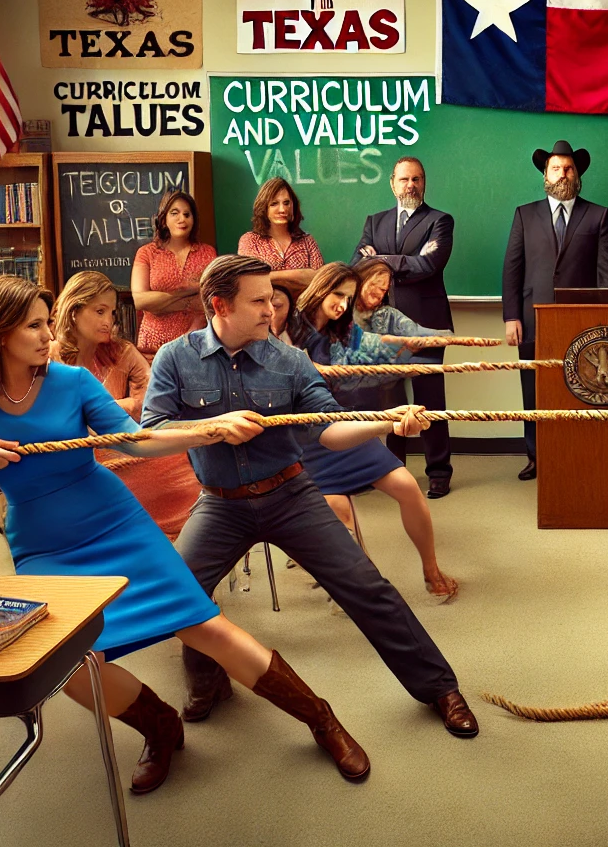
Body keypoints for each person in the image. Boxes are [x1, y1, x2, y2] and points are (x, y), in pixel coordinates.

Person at [0, 274, 374, 789]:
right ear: (0, 332)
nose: (50, 335)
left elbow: (137, 442)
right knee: (72, 663)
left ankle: (322, 719)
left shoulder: (72, 382)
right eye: (35, 325)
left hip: (114, 521)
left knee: (205, 626)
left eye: (48, 322)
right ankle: (160, 727)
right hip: (45, 545)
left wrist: (210, 429)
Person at [144, 255, 478, 741]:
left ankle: (440, 688)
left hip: (290, 494)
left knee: (368, 588)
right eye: (257, 301)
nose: (271, 310)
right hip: (220, 503)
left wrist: (388, 421)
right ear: (219, 305)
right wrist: (209, 429)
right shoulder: (175, 358)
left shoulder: (290, 360)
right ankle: (208, 680)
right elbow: (147, 435)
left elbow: (330, 431)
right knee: (180, 591)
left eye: (271, 299)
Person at [290, 262, 458, 600]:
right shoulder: (290, 323)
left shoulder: (345, 329)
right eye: (337, 294)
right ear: (321, 288)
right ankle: (360, 584)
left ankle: (431, 570)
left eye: (348, 298)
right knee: (338, 508)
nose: (341, 303)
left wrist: (437, 348)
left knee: (407, 486)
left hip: (342, 424)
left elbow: (384, 348)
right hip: (303, 437)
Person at [51, 270, 200, 538]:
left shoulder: (123, 351)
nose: (108, 321)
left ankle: (179, 538)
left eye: (112, 313)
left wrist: (115, 408)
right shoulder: (49, 356)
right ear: (74, 310)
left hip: (124, 445)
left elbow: (153, 398)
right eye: (99, 311)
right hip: (73, 457)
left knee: (176, 458)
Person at [502, 139, 608, 479]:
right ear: (545, 174)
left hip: (581, 322)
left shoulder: (598, 215)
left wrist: (606, 321)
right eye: (556, 168)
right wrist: (511, 316)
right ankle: (537, 456)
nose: (563, 174)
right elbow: (512, 268)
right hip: (531, 318)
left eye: (569, 168)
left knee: (581, 390)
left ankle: (577, 453)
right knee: (533, 389)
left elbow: (607, 273)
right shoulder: (525, 214)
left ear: (577, 174)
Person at [353, 156, 457, 497]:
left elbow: (429, 264)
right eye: (404, 179)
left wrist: (381, 259)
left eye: (416, 179)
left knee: (430, 400)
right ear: (392, 184)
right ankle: (391, 469)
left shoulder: (440, 220)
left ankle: (439, 471)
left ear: (424, 183)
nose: (410, 185)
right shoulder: (374, 221)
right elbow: (358, 265)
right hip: (382, 327)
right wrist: (399, 263)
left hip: (425, 324)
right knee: (389, 399)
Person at [131, 188, 216, 357]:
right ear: (163, 220)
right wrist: (185, 293)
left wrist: (160, 302)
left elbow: (208, 301)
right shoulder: (147, 253)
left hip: (196, 342)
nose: (181, 219)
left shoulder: (207, 253)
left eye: (187, 214)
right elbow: (140, 300)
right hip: (153, 345)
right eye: (174, 213)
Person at [237, 176, 323, 292]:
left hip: (303, 309)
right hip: (265, 308)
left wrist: (269, 276)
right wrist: (301, 275)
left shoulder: (307, 241)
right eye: (274, 204)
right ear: (264, 207)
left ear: (293, 205)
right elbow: (249, 279)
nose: (282, 209)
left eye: (286, 203)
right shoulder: (250, 240)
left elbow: (320, 280)